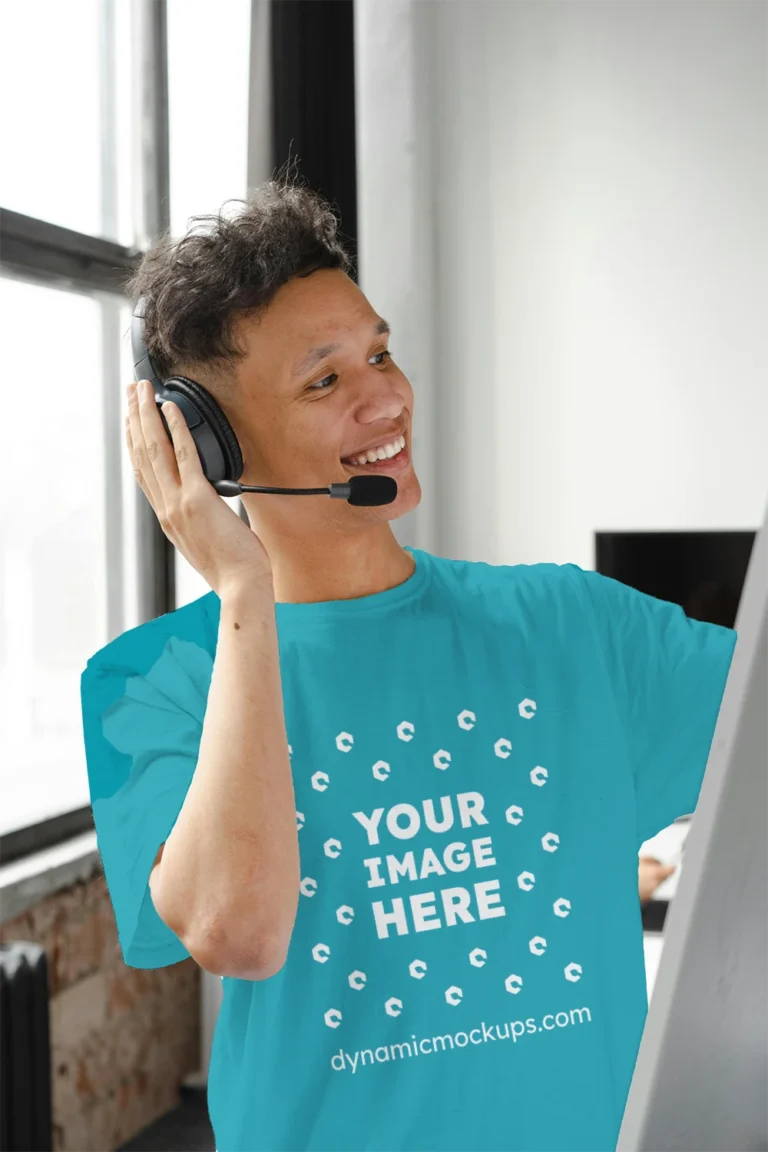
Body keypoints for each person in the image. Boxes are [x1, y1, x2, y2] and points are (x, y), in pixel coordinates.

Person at [80, 178, 737, 1152]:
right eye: (324, 380)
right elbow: (240, 930)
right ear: (211, 448)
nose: (385, 394)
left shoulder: (574, 626)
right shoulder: (153, 682)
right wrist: (243, 594)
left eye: (379, 352)